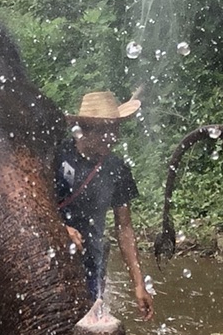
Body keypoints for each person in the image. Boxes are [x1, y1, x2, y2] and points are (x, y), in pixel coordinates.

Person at [56, 91, 153, 320]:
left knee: (89, 323)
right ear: (85, 132)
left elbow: (124, 228)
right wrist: (60, 229)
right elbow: (32, 206)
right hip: (52, 255)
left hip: (92, 260)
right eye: (108, 131)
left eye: (116, 130)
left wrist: (139, 284)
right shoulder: (57, 156)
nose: (114, 137)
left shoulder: (116, 168)